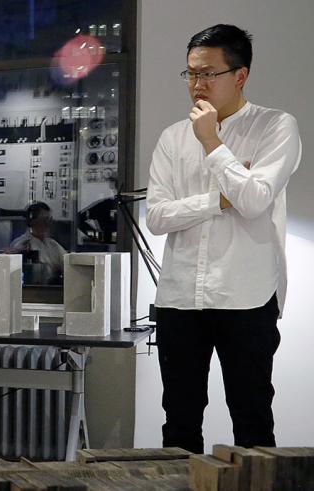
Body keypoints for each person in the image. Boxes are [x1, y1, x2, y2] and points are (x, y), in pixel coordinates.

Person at [145, 24, 301, 454]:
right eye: (191, 74)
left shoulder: (275, 127)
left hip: (245, 296)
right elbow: (156, 216)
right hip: (179, 297)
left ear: (240, 75)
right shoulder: (172, 137)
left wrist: (212, 141)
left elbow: (252, 201)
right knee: (178, 422)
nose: (197, 85)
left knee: (252, 423)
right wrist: (219, 199)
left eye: (208, 74)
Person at [7, 202, 67, 283]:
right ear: (32, 222)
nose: (48, 224)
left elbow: (67, 264)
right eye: (44, 220)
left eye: (50, 220)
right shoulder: (21, 244)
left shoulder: (53, 244)